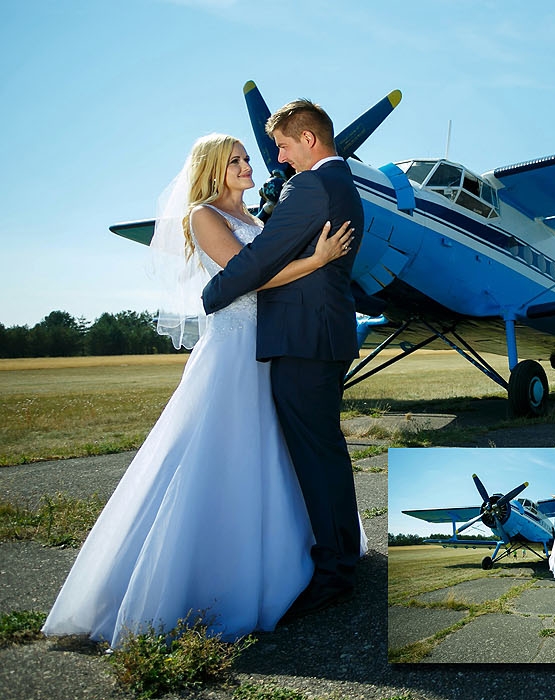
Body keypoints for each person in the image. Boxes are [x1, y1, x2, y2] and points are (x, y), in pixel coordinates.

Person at [42, 134, 355, 647]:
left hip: (269, 346)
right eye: (235, 161)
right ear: (212, 169)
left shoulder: (259, 218)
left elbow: (270, 263)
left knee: (274, 453)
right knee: (218, 451)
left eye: (247, 158)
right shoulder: (203, 216)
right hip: (233, 348)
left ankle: (289, 559)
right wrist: (317, 261)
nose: (249, 165)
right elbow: (247, 277)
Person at [203, 100, 366, 616]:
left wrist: (213, 295)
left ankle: (334, 569)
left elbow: (260, 256)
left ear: (310, 140)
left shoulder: (311, 186)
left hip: (302, 339)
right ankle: (343, 555)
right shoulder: (342, 185)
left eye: (284, 145)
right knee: (326, 451)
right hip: (323, 335)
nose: (278, 157)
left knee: (314, 457)